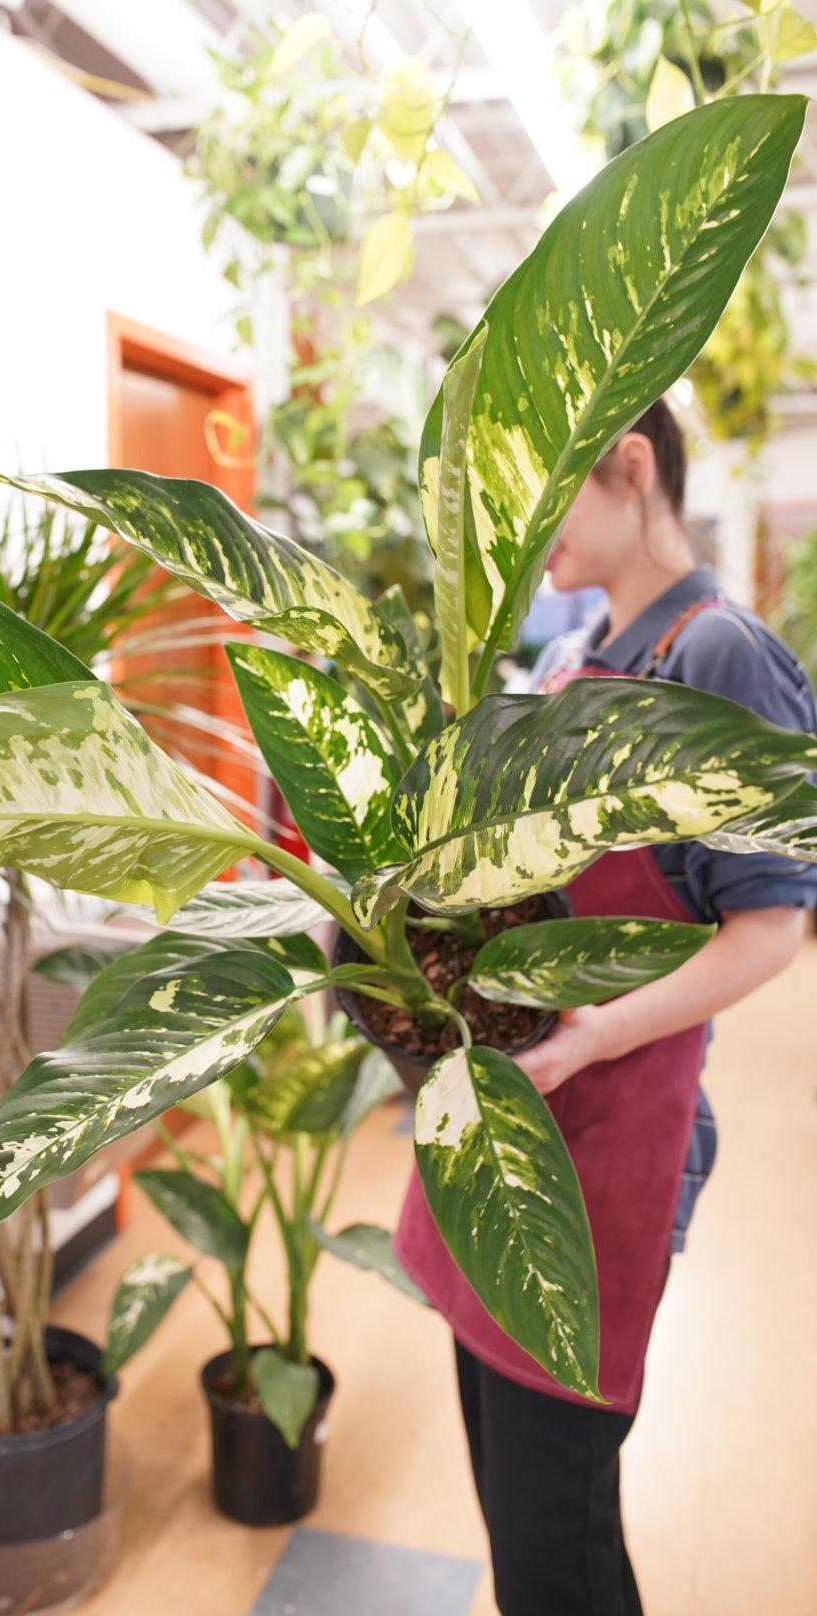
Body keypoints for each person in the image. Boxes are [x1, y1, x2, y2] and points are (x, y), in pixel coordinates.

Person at [394, 399, 817, 1616]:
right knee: (509, 1490)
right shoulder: (583, 656)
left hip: (602, 1151)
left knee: (555, 1548)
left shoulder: (718, 654)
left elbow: (767, 931)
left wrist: (583, 1038)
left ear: (631, 468)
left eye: (541, 505)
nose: (524, 550)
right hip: (520, 1128)